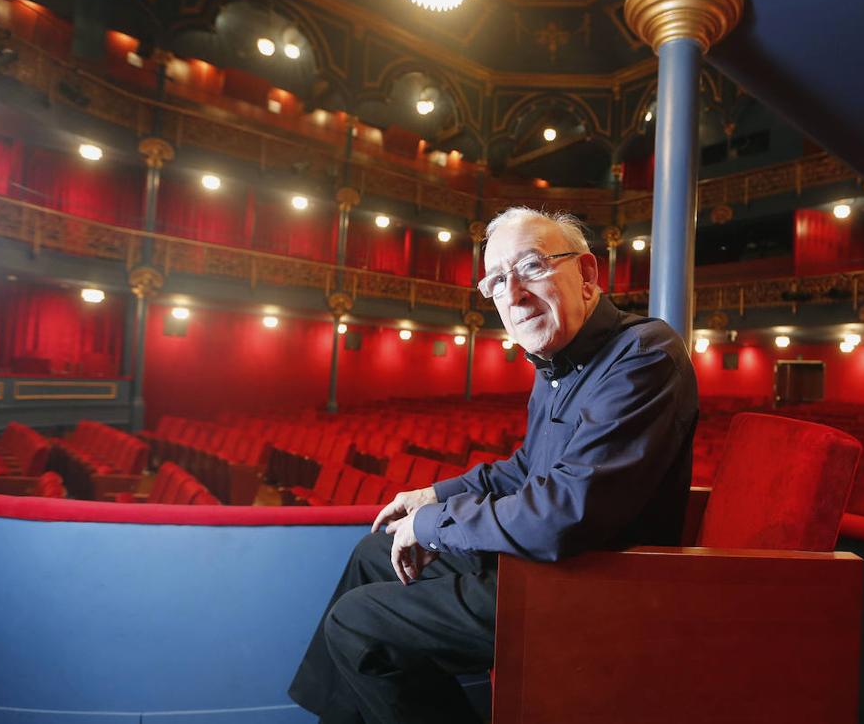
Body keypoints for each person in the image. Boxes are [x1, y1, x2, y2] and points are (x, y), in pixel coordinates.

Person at [288, 207, 699, 723]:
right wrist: (434, 496)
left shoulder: (643, 354)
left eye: (531, 267)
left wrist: (435, 527)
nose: (514, 293)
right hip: (551, 564)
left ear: (587, 275)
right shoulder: (557, 360)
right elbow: (527, 468)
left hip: (593, 584)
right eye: (497, 281)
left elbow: (564, 514)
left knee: (357, 623)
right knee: (374, 553)